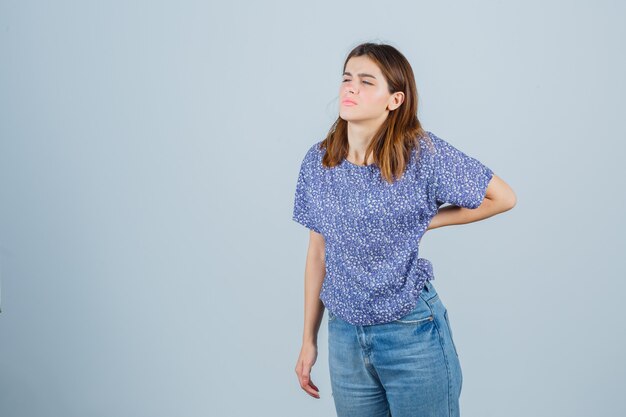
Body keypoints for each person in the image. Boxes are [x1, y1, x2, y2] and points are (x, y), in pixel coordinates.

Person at [292, 42, 516, 417]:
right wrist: (308, 340)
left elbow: (503, 197)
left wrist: (429, 220)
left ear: (394, 100)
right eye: (347, 78)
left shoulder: (422, 155)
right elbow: (317, 252)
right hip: (345, 337)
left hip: (411, 333)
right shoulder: (319, 162)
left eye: (366, 82)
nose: (350, 88)